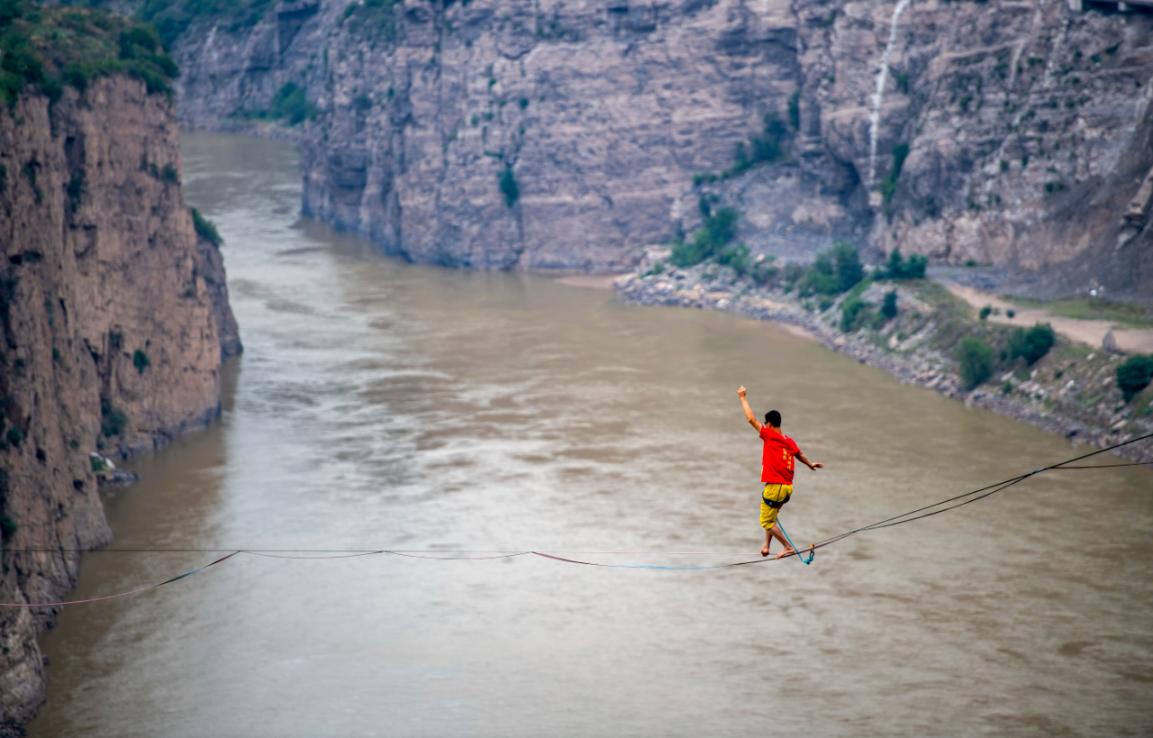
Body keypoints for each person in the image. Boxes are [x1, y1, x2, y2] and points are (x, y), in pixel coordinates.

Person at [736, 386, 822, 558]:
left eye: (765, 423)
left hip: (774, 488)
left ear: (768, 424)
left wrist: (742, 398)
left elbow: (750, 419)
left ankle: (787, 546)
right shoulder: (788, 440)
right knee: (771, 516)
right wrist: (810, 465)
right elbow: (800, 455)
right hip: (787, 489)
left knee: (766, 521)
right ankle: (766, 546)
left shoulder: (769, 435)